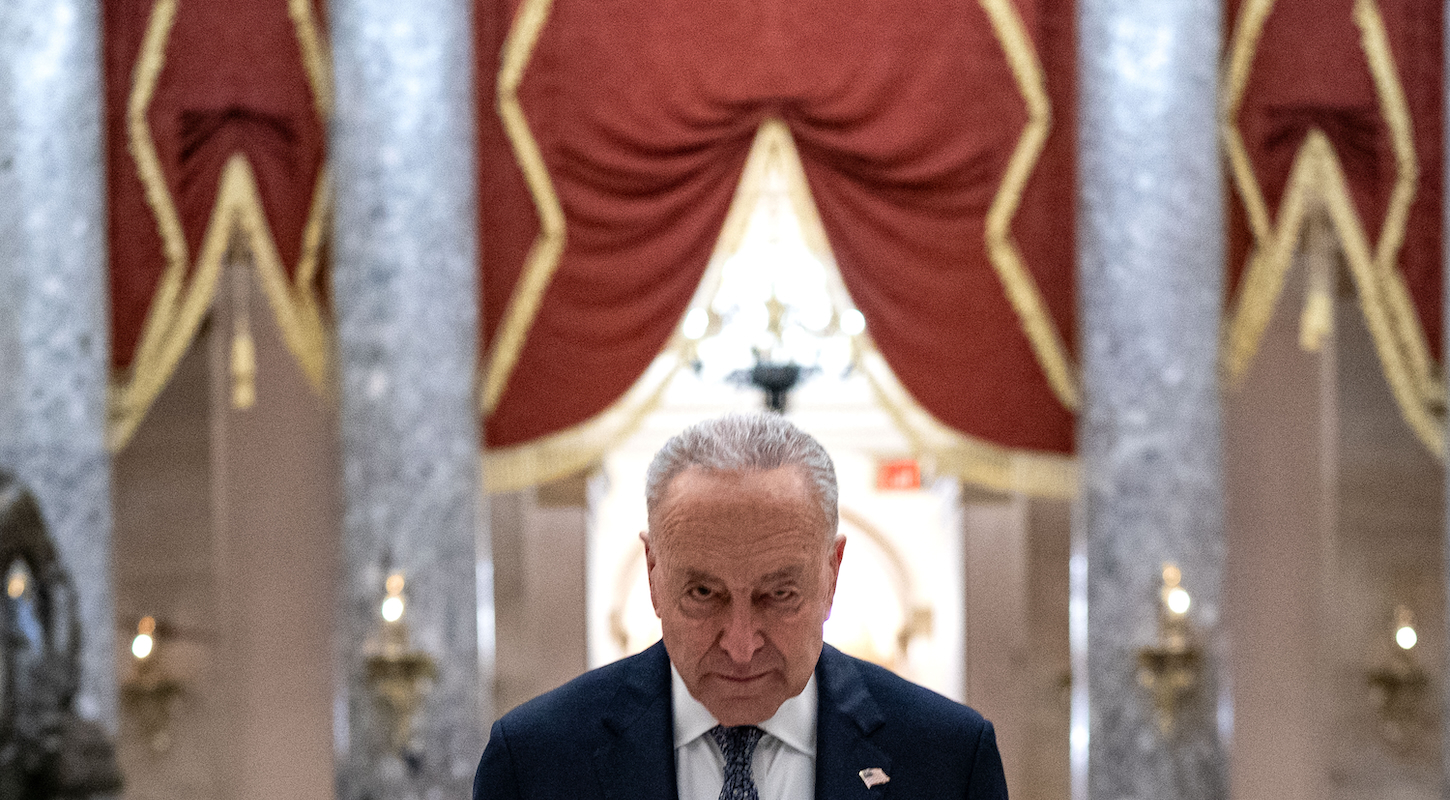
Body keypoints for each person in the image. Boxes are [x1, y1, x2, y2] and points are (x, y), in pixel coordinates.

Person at [473, 413, 1008, 799]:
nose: (742, 645)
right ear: (655, 575)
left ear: (832, 572)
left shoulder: (948, 759)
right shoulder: (535, 761)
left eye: (779, 594)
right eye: (703, 594)